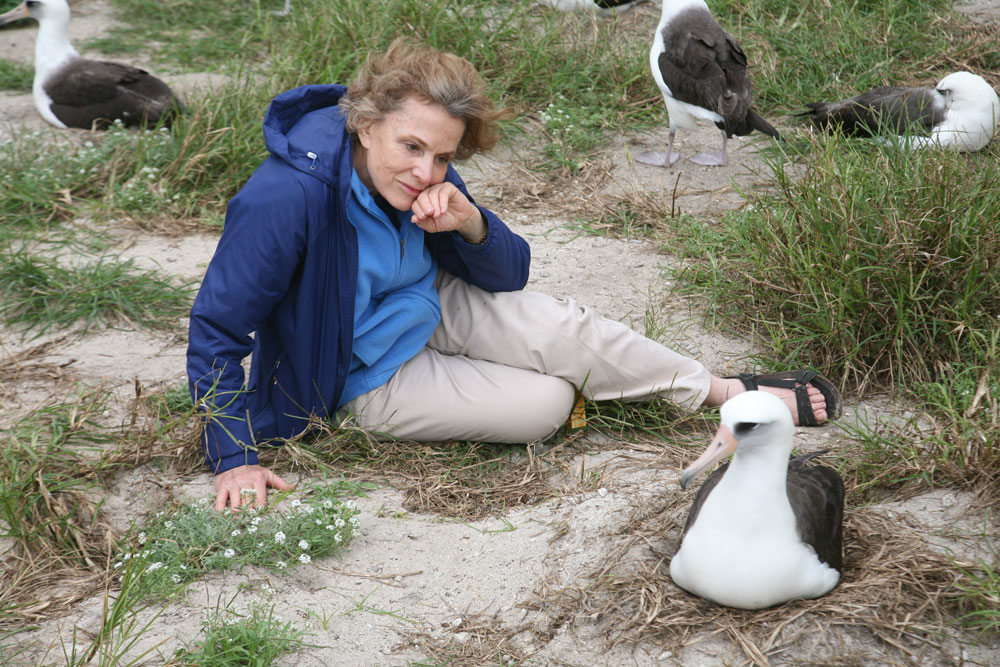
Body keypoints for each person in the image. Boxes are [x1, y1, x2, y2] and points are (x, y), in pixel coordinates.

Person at [187, 38, 841, 512]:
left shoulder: (431, 171)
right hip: (357, 369)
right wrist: (235, 455)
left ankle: (723, 391)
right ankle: (591, 388)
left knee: (563, 325)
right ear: (364, 124)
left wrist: (470, 223)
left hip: (428, 302)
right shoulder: (285, 198)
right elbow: (217, 326)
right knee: (546, 404)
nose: (424, 170)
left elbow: (509, 275)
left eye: (442, 155)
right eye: (410, 147)